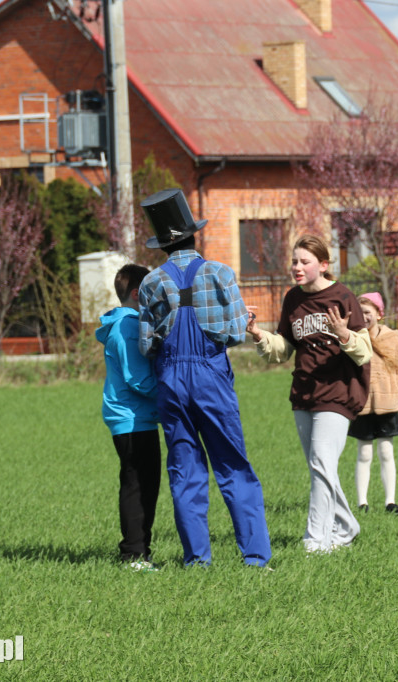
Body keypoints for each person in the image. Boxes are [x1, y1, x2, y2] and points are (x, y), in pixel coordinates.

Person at [137, 188, 271, 568]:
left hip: (170, 379)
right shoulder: (219, 272)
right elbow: (232, 333)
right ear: (195, 235)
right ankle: (256, 558)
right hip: (210, 374)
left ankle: (197, 560)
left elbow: (147, 344)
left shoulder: (151, 282)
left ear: (162, 245)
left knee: (185, 469)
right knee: (232, 464)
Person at [247, 234, 372, 554]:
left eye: (305, 262)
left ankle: (316, 541)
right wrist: (260, 335)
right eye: (294, 261)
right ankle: (346, 525)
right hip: (304, 392)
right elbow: (284, 348)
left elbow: (364, 352)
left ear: (324, 265)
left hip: (338, 391)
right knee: (321, 466)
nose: (297, 267)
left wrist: (345, 335)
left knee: (321, 462)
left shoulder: (344, 297)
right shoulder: (293, 299)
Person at [96, 263, 162, 572]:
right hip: (133, 418)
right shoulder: (128, 326)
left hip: (133, 417)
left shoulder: (124, 323)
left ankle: (139, 551)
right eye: (151, 291)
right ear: (138, 293)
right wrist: (172, 399)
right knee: (139, 486)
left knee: (142, 483)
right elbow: (139, 379)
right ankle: (134, 555)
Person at [348, 292, 398, 515]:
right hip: (362, 406)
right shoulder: (353, 339)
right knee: (364, 453)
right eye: (360, 312)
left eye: (368, 312)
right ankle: (362, 502)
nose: (364, 316)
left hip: (388, 406)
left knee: (386, 452)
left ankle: (390, 501)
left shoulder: (393, 339)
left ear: (380, 313)